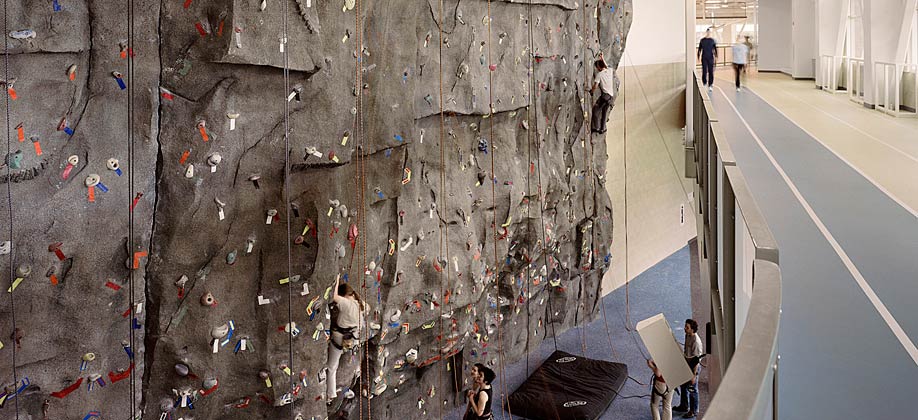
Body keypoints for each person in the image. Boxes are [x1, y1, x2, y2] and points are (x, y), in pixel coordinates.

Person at [325, 276, 367, 405]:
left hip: (340, 338)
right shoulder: (361, 304)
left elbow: (334, 297)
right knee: (343, 354)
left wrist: (336, 280)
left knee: (332, 367)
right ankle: (356, 370)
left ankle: (331, 394)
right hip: (353, 339)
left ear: (344, 295)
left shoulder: (346, 303)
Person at [674, 319, 704, 418]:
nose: (684, 329)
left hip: (693, 367)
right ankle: (684, 406)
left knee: (692, 389)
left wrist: (693, 375)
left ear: (692, 330)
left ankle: (693, 411)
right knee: (683, 385)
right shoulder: (688, 335)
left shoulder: (696, 342)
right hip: (687, 363)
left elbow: (696, 360)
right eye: (685, 326)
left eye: (687, 327)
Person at [589, 58, 615, 134]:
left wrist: (591, 92)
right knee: (604, 112)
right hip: (610, 97)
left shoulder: (599, 74)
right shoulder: (609, 71)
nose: (597, 69)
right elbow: (606, 66)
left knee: (595, 111)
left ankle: (596, 127)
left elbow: (595, 86)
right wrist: (602, 58)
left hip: (604, 96)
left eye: (597, 67)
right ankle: (602, 129)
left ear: (599, 67)